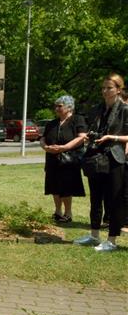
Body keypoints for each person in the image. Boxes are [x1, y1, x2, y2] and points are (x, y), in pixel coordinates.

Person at [74, 73, 128, 252]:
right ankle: (94, 235)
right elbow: (93, 129)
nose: (105, 91)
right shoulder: (98, 108)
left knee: (113, 199)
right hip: (96, 157)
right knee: (96, 198)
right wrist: (91, 135)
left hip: (115, 157)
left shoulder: (124, 109)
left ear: (119, 90)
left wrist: (112, 137)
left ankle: (112, 240)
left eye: (109, 88)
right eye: (103, 88)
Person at [40, 95, 87, 223]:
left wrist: (64, 147)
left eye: (59, 106)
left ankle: (68, 213)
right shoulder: (52, 123)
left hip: (69, 160)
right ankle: (57, 211)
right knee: (54, 186)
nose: (56, 108)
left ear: (69, 106)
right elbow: (43, 138)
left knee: (66, 186)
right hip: (52, 159)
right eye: (56, 106)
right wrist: (46, 147)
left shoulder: (77, 120)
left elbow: (82, 137)